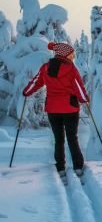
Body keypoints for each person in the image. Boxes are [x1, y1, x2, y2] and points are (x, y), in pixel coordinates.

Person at [23, 42, 89, 177]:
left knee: (58, 139)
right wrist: (84, 99)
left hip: (53, 110)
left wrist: (26, 92)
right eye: (71, 54)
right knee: (72, 137)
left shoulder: (45, 68)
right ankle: (77, 166)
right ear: (65, 54)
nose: (73, 56)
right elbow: (79, 87)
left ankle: (60, 167)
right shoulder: (71, 68)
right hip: (70, 109)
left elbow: (35, 83)